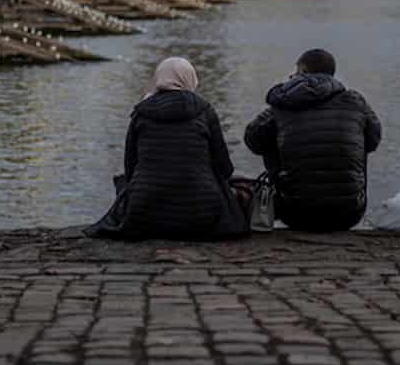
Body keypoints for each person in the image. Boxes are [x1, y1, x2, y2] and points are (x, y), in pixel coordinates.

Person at [87, 57, 247, 240]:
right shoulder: (204, 110)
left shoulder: (141, 113)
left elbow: (130, 167)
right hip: (202, 213)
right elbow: (224, 167)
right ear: (190, 78)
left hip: (144, 212)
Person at [244, 48, 381, 231]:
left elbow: (252, 140)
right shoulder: (355, 101)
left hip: (295, 214)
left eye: (295, 72)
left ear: (303, 73)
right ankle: (344, 193)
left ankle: (291, 191)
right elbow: (373, 141)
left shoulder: (283, 104)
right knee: (357, 138)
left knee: (268, 136)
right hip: (349, 213)